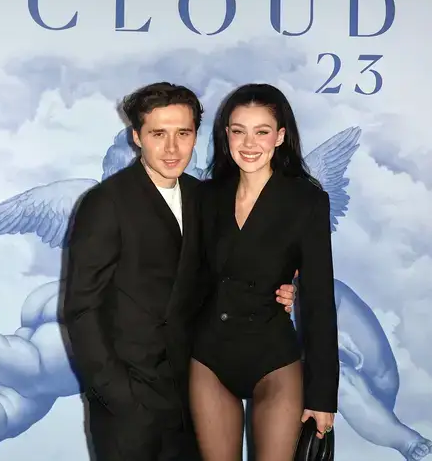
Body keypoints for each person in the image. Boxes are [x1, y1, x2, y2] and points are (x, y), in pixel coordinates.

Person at [62, 82, 298, 461]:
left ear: (195, 136)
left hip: (193, 399)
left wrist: (280, 289)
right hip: (131, 406)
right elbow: (81, 309)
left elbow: (225, 276)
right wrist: (118, 396)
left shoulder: (204, 197)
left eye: (183, 134)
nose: (172, 148)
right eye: (158, 134)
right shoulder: (105, 204)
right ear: (137, 137)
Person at [189, 83, 340, 460]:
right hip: (209, 358)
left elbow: (319, 301)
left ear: (280, 136)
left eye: (262, 131)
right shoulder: (203, 198)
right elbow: (187, 282)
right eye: (239, 131)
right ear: (226, 135)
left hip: (273, 358)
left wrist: (323, 397)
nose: (249, 143)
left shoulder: (307, 202)